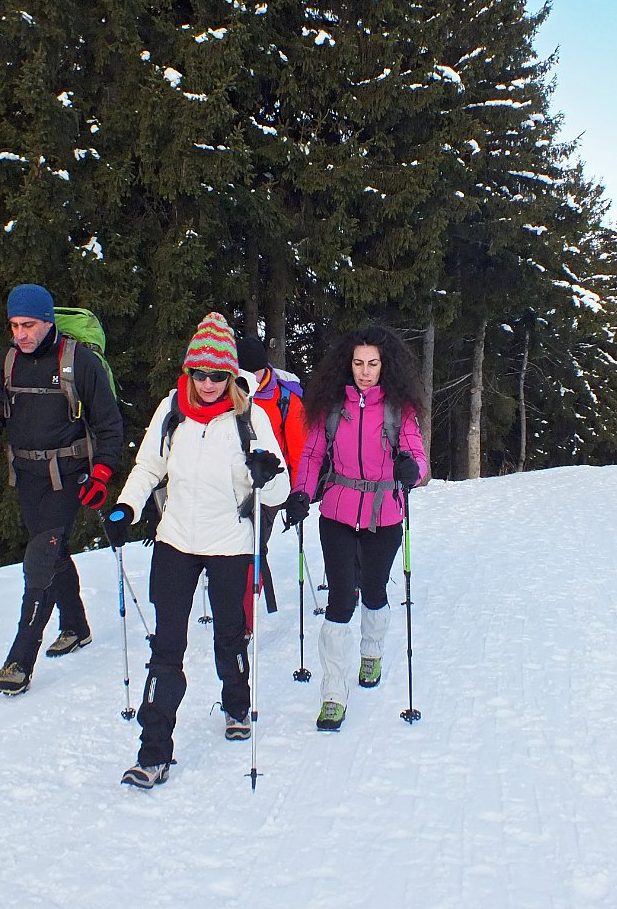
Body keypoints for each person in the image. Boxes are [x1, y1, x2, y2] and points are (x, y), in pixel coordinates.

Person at [104, 313, 290, 790]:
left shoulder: (251, 418)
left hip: (229, 544)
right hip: (175, 543)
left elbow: (278, 492)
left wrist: (266, 474)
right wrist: (126, 507)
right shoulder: (172, 410)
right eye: (199, 374)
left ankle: (235, 702)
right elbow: (148, 466)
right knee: (167, 647)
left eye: (217, 375)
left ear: (231, 376)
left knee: (230, 635)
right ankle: (153, 753)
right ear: (188, 373)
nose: (207, 384)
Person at [0, 283, 124, 696]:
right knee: (53, 550)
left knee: (40, 559)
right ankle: (76, 625)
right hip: (26, 475)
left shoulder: (79, 362)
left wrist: (101, 475)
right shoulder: (7, 362)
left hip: (69, 474)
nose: (20, 333)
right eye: (14, 325)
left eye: (28, 325)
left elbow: (110, 427)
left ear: (48, 322)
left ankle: (20, 660)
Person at [283, 324, 428, 732]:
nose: (365, 371)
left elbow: (418, 456)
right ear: (348, 364)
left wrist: (411, 470)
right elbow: (311, 456)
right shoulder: (331, 407)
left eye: (373, 364)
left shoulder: (400, 409)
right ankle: (332, 693)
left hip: (385, 513)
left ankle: (371, 651)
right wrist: (300, 493)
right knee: (342, 598)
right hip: (338, 511)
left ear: (385, 366)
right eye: (359, 363)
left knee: (376, 589)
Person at [236, 335, 308, 631]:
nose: (247, 379)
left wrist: (298, 493)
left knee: (250, 548)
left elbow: (301, 449)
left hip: (271, 486)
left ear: (264, 369)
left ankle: (244, 623)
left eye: (252, 372)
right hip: (234, 483)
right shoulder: (229, 392)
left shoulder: (284, 397)